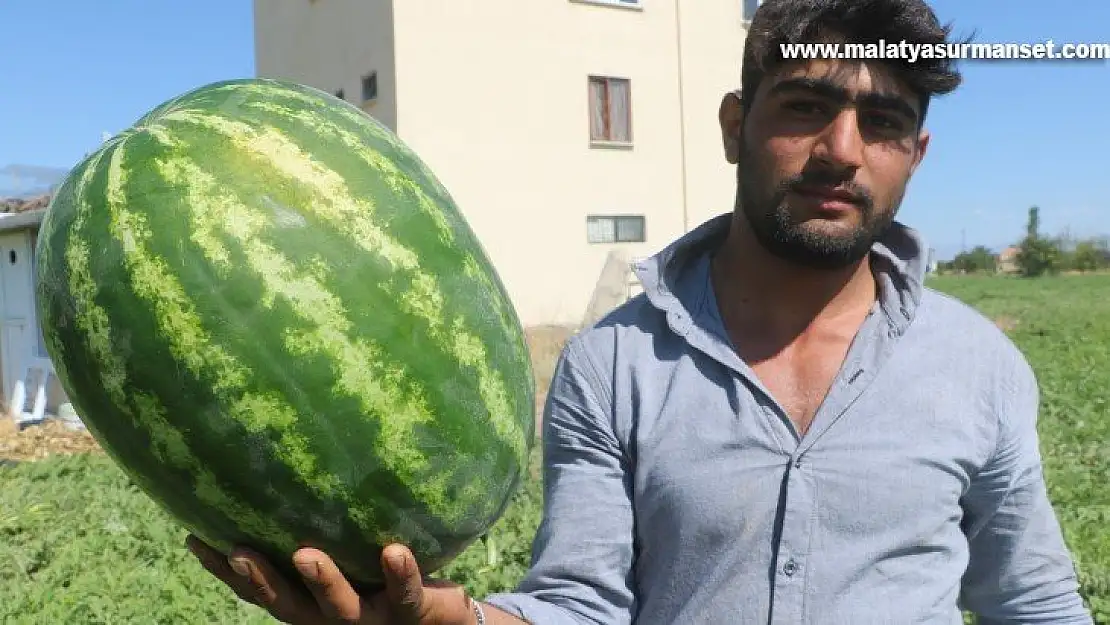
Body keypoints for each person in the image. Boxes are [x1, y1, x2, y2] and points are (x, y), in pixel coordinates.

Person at [187, 0, 1094, 622]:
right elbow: (583, 602)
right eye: (806, 106)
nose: (842, 151)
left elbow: (1034, 601)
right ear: (735, 123)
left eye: (884, 123)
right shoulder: (610, 366)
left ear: (917, 152)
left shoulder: (978, 368)